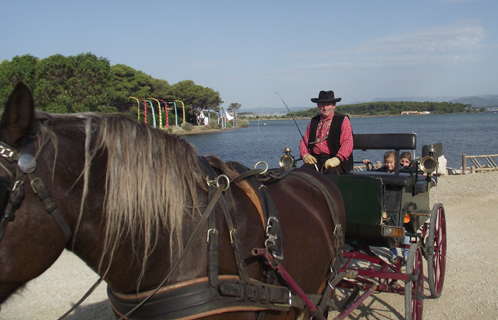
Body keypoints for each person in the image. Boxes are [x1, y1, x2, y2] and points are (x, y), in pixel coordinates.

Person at [299, 90, 353, 174]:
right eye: (322, 105)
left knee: (330, 175)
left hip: (336, 159)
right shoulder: (314, 121)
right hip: (315, 159)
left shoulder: (343, 120)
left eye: (328, 104)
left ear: (334, 105)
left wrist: (338, 159)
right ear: (318, 106)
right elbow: (304, 141)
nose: (325, 108)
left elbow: (347, 143)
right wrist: (305, 155)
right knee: (301, 174)